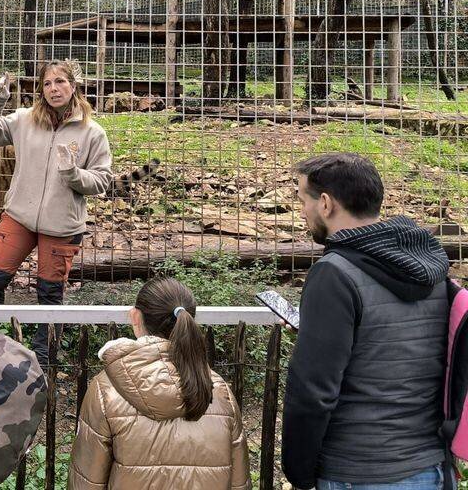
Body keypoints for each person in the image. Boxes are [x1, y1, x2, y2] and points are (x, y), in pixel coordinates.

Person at [282, 153, 450, 490]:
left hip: (356, 471)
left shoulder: (334, 274)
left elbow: (313, 392)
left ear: (326, 204)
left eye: (302, 200)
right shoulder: (433, 269)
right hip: (429, 468)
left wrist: (299, 471)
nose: (301, 212)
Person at [0, 59, 113, 364]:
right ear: (41, 90)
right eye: (47, 83)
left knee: (49, 293)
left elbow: (103, 179)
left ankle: (42, 360)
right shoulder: (24, 120)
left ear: (73, 86)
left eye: (60, 82)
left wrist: (73, 174)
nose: (54, 88)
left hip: (61, 226)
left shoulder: (93, 133)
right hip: (19, 218)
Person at [70, 276, 250, 490]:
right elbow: (239, 482)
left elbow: (86, 481)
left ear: (135, 317)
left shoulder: (105, 390)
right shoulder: (219, 391)